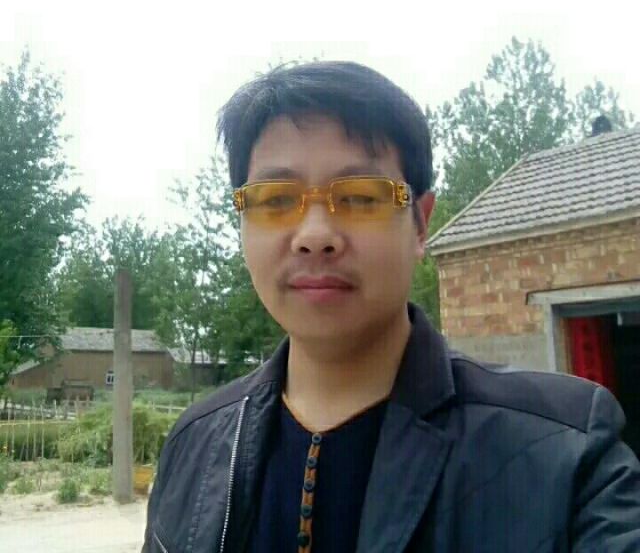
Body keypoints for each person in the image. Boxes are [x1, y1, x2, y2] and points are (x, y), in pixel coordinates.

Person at [142, 61, 640, 553]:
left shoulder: (566, 450)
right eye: (275, 200)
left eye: (361, 197)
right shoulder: (195, 445)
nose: (314, 235)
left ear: (420, 225)